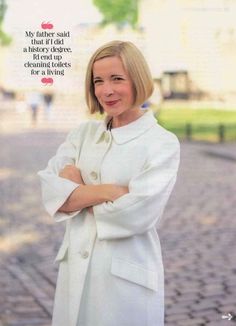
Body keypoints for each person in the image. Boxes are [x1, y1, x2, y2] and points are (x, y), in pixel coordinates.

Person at [38, 40, 180, 326]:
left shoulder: (161, 143)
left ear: (137, 79)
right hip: (74, 270)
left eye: (117, 79)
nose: (107, 90)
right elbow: (51, 191)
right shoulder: (83, 134)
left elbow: (135, 213)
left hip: (125, 281)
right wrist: (109, 192)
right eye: (98, 81)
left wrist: (78, 192)